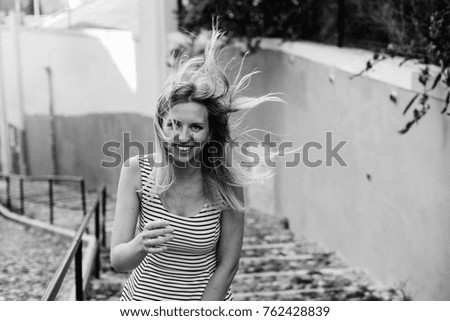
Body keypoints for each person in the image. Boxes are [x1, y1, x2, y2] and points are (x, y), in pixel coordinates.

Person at [110, 27, 281, 301]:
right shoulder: (135, 171)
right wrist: (141, 244)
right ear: (161, 126)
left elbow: (228, 265)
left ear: (210, 133)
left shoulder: (227, 182)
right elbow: (118, 261)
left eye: (196, 127)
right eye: (174, 125)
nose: (183, 137)